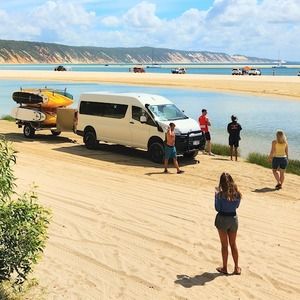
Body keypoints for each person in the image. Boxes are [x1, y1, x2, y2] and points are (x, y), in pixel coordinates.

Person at [215, 172, 242, 275]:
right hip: (233, 219)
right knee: (233, 244)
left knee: (224, 245)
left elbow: (217, 208)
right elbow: (237, 206)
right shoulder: (237, 194)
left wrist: (216, 196)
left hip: (222, 218)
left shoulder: (220, 195)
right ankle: (236, 268)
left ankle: (225, 268)